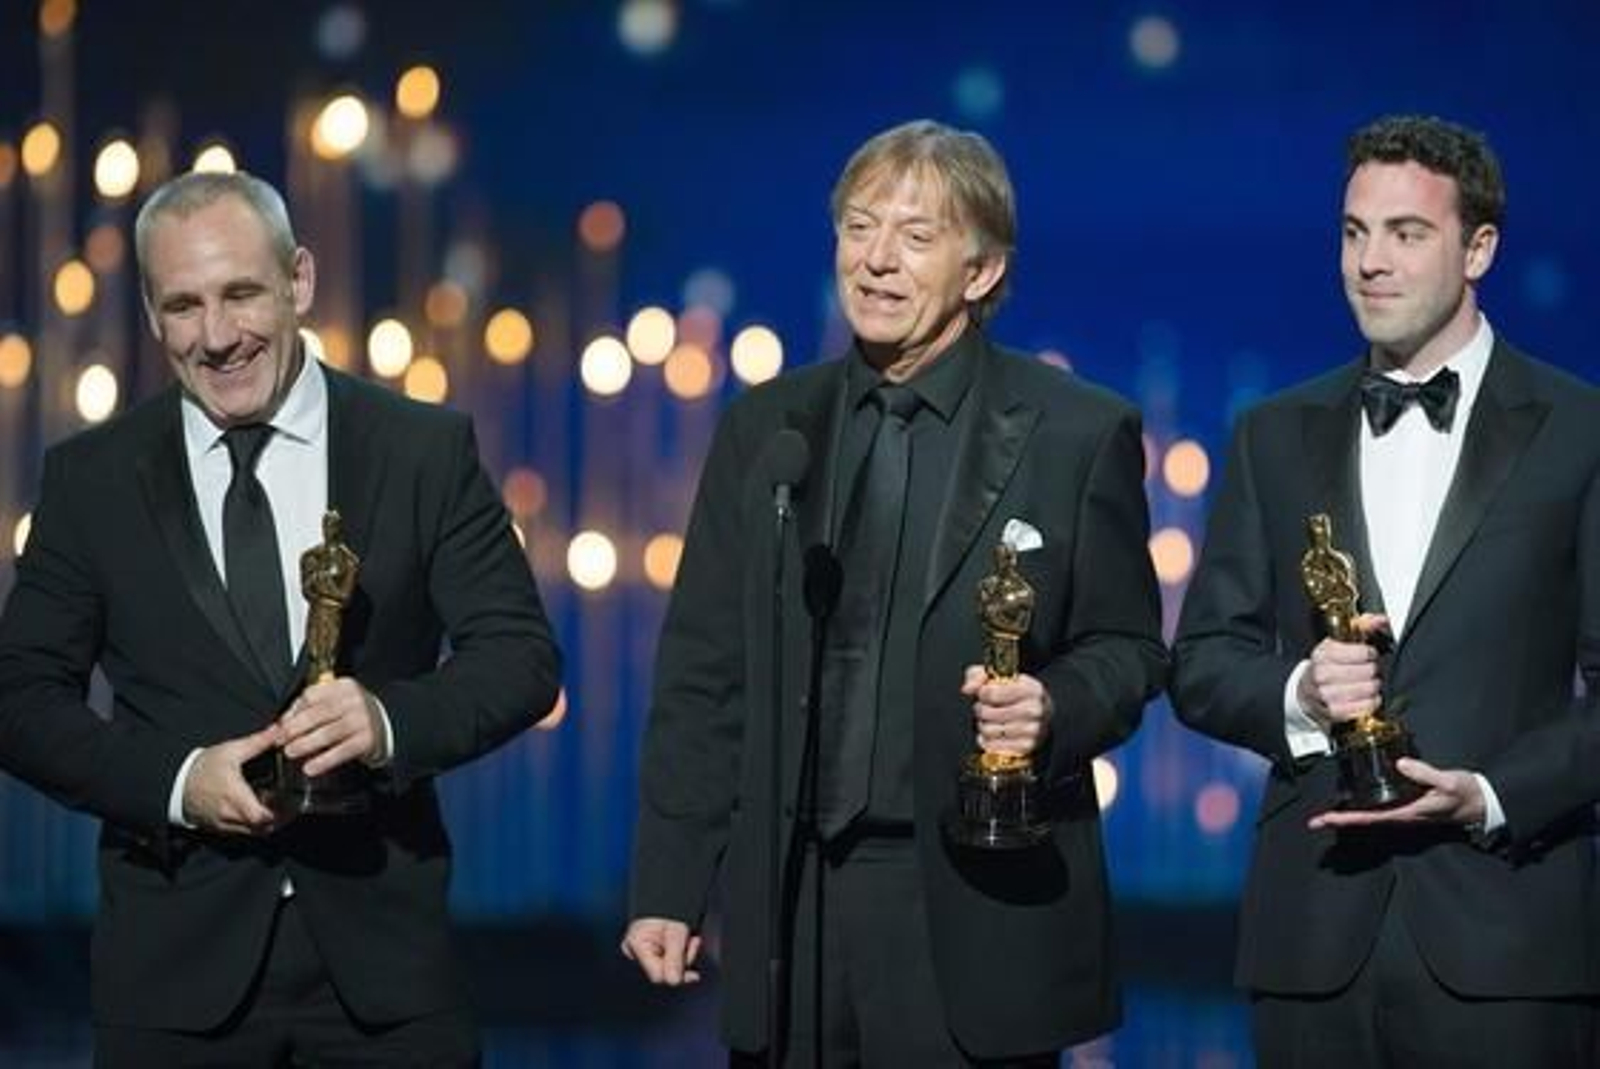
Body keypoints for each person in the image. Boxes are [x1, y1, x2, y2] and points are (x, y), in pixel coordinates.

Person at [624, 120, 1166, 1065]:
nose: (875, 261)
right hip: (794, 906)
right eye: (859, 228)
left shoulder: (1076, 431)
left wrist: (1052, 707)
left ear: (982, 271)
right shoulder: (768, 429)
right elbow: (706, 671)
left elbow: (1129, 649)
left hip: (971, 898)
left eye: (915, 238)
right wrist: (671, 880)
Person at [0, 170, 562, 1065]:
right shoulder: (91, 479)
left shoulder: (421, 449)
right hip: (172, 978)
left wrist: (385, 721)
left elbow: (522, 660)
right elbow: (19, 696)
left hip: (387, 974)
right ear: (149, 312)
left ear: (299, 280)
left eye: (241, 294)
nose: (216, 336)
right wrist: (180, 780)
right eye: (182, 305)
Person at [1171, 114, 1600, 1066]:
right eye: (1354, 231)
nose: (1371, 260)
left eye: (1406, 233)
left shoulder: (1581, 432)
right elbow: (1201, 663)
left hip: (1507, 938)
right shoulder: (1271, 436)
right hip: (1314, 935)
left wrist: (1490, 792)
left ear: (1478, 246)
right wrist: (1301, 695)